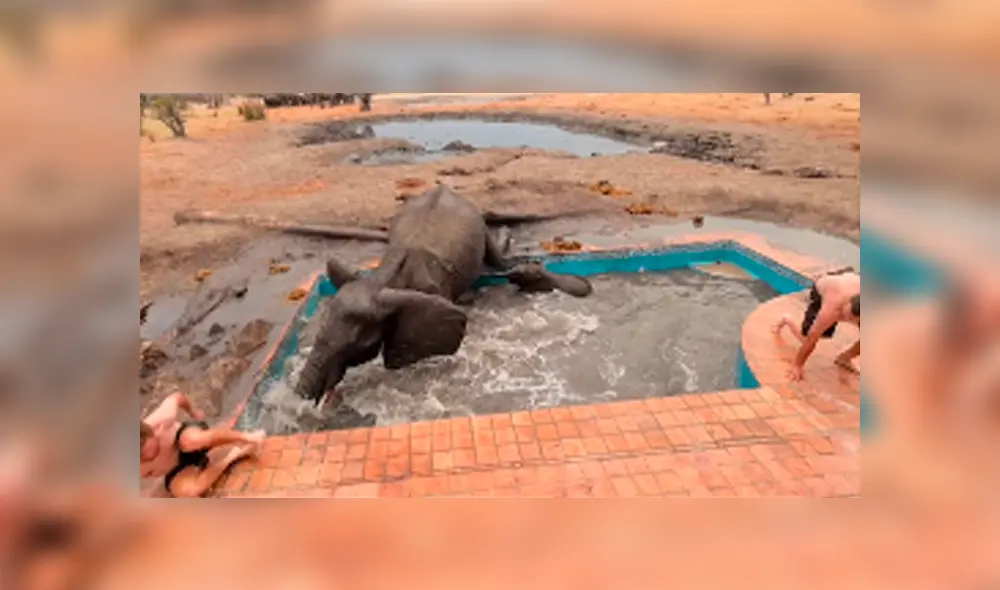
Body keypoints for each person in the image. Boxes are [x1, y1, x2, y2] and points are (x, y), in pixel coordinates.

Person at [140, 392, 264, 498]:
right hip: (179, 468)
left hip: (188, 440)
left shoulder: (158, 421)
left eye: (155, 448)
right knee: (189, 492)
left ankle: (246, 437)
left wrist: (194, 412)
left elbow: (177, 397)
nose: (154, 455)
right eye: (148, 456)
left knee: (190, 441)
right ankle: (233, 456)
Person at [774, 268, 861, 381]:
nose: (847, 320)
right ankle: (787, 319)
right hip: (824, 288)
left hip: (848, 280)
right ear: (847, 304)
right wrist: (797, 366)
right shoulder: (833, 305)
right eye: (847, 315)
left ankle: (844, 358)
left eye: (852, 319)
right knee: (806, 338)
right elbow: (812, 336)